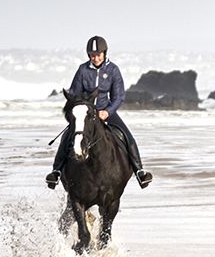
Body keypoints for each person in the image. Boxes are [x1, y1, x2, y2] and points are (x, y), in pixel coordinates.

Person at [45, 35, 153, 190]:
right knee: (67, 136)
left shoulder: (113, 70)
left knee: (127, 136)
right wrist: (80, 110)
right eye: (92, 55)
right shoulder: (83, 70)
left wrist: (107, 112)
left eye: (98, 55)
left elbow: (119, 97)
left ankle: (139, 172)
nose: (95, 58)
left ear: (104, 53)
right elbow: (75, 94)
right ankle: (55, 172)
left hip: (105, 111)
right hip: (86, 113)